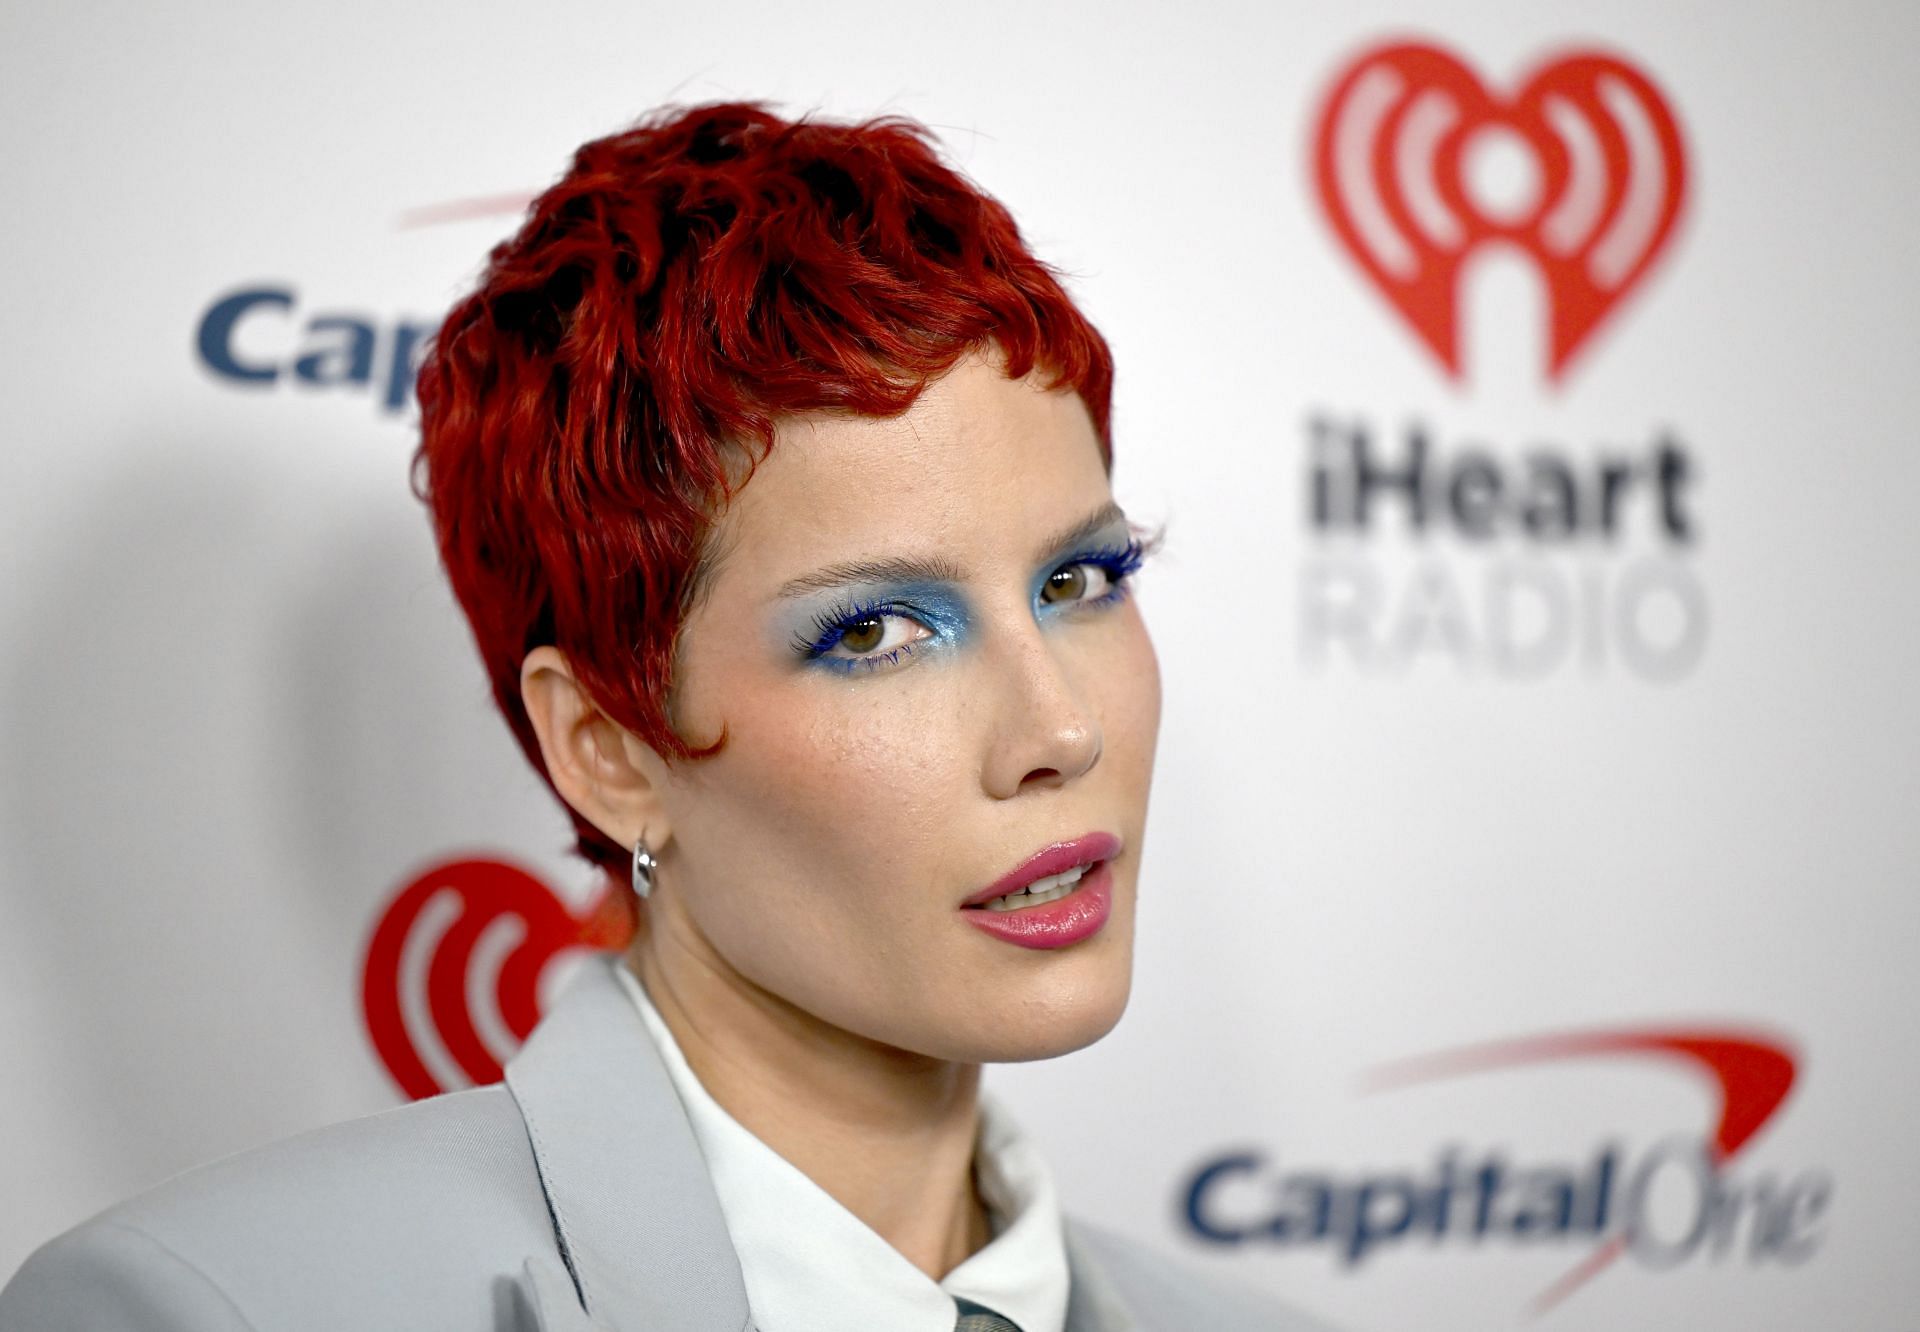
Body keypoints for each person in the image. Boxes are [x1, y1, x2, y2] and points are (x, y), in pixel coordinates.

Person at [0, 103, 1331, 1331]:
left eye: (1080, 581)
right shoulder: (214, 1313)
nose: (1060, 730)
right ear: (609, 751)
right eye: (875, 632)